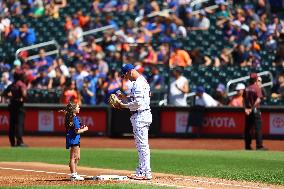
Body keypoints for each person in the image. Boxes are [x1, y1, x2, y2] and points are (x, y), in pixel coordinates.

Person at [116, 64, 152, 180]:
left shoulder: (138, 83)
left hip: (140, 115)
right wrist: (124, 97)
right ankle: (142, 170)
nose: (126, 78)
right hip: (143, 114)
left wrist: (123, 105)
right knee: (142, 146)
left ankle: (144, 172)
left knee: (142, 146)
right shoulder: (143, 81)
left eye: (125, 75)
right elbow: (138, 99)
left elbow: (138, 104)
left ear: (129, 72)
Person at [60, 101, 88, 181]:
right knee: (73, 157)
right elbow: (77, 131)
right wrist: (85, 129)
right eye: (77, 107)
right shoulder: (74, 118)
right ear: (73, 109)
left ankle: (75, 173)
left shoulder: (71, 117)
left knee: (77, 157)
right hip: (73, 139)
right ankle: (73, 175)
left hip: (74, 139)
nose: (79, 108)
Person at [2, 70, 28, 147]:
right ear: (20, 76)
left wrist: (11, 97)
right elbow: (24, 95)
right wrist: (22, 98)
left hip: (12, 105)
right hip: (19, 106)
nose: (24, 76)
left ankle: (12, 142)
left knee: (12, 124)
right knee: (19, 124)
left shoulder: (12, 84)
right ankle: (19, 142)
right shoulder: (21, 84)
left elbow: (4, 94)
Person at [243, 73, 267, 150]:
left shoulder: (246, 88)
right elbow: (259, 99)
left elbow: (243, 100)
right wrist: (252, 108)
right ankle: (259, 146)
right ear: (256, 79)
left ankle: (247, 146)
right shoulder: (257, 88)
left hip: (248, 111)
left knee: (248, 129)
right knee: (258, 128)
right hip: (255, 110)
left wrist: (246, 109)